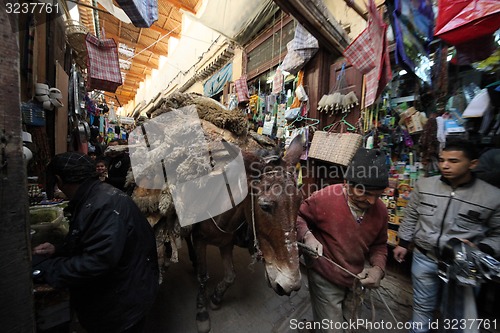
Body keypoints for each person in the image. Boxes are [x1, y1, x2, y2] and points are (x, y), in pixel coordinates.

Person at [33, 152, 159, 333]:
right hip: (124, 290)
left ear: (59, 181)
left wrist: (49, 270)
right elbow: (91, 238)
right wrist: (59, 249)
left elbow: (98, 260)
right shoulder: (93, 196)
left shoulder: (103, 204)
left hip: (123, 302)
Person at [393, 139, 500, 333]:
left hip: (463, 264)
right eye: (442, 160)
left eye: (453, 161)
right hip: (425, 257)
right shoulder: (424, 186)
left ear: (473, 163)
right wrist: (403, 242)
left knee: (457, 316)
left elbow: (498, 234)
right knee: (422, 307)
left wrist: (481, 249)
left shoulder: (492, 196)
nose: (445, 165)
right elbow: (411, 215)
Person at [296, 148, 389, 332]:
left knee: (351, 326)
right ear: (347, 183)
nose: (371, 201)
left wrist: (378, 269)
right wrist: (307, 236)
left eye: (377, 195)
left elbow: (379, 246)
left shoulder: (381, 212)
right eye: (365, 193)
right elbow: (299, 217)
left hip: (356, 281)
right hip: (325, 276)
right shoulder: (324, 197)